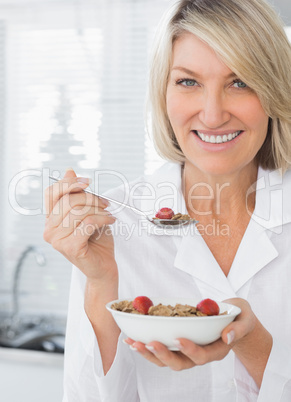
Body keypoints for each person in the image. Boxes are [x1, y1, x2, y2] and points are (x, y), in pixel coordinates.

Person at [44, 0, 291, 400]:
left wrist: (252, 343)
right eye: (188, 82)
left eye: (240, 81)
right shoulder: (113, 226)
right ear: (163, 92)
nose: (212, 115)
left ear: (275, 89)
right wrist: (101, 281)